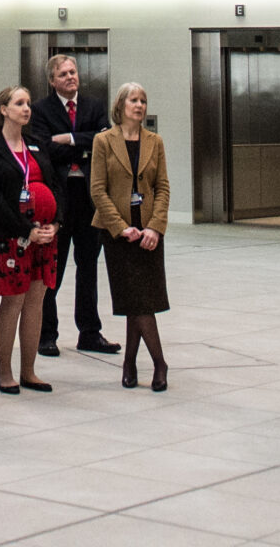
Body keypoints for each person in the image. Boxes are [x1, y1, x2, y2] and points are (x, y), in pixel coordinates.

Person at [29, 56, 113, 358]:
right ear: (52, 80)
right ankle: (46, 334)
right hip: (59, 197)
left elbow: (105, 138)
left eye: (73, 72)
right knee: (55, 267)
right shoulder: (40, 110)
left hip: (89, 195)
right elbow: (44, 148)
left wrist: (70, 138)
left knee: (89, 265)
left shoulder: (94, 106)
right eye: (63, 74)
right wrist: (83, 146)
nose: (70, 77)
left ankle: (90, 332)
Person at [90, 82, 169, 391]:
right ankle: (159, 362)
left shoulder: (155, 142)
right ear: (120, 105)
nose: (140, 105)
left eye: (143, 100)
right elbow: (98, 189)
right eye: (134, 100)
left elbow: (162, 187)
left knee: (140, 299)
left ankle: (131, 362)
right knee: (133, 299)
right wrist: (120, 226)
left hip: (148, 232)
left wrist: (155, 227)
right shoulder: (103, 141)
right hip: (117, 232)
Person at [0, 86, 57, 394]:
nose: (26, 108)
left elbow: (55, 186)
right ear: (3, 109)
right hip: (9, 236)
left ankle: (29, 370)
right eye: (19, 103)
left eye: (28, 103)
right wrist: (25, 229)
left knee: (36, 301)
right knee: (14, 300)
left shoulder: (37, 144)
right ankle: (5, 372)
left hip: (44, 235)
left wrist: (56, 223)